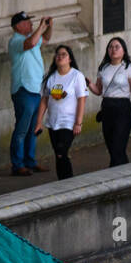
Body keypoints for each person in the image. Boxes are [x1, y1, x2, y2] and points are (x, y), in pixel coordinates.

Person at [7, 11, 52, 176]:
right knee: (22, 129)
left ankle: (30, 161)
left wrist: (48, 27)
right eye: (27, 22)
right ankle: (17, 164)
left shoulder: (31, 38)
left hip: (36, 89)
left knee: (34, 128)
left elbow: (45, 39)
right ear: (18, 26)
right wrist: (41, 27)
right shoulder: (16, 41)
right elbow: (31, 43)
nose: (31, 25)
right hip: (23, 90)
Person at [34, 45, 87, 180]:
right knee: (58, 153)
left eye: (64, 54)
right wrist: (38, 122)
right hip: (53, 122)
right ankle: (62, 182)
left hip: (68, 122)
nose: (60, 56)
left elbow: (81, 100)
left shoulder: (76, 76)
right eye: (58, 54)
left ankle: (68, 181)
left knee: (61, 152)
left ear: (70, 59)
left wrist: (78, 123)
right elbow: (44, 100)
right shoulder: (50, 77)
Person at [86, 37, 131, 167]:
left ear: (123, 50)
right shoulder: (103, 68)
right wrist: (89, 84)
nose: (113, 49)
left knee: (118, 147)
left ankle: (116, 177)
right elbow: (99, 90)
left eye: (117, 47)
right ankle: (124, 174)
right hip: (107, 108)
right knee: (112, 148)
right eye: (110, 47)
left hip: (122, 108)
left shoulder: (129, 68)